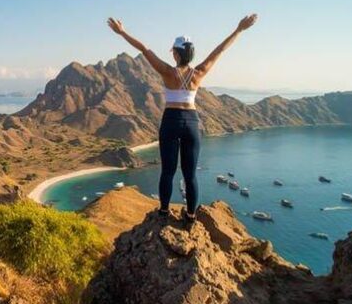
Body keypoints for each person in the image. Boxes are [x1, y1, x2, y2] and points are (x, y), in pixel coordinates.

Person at [107, 14, 258, 221]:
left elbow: (144, 49)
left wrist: (122, 32)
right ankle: (190, 215)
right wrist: (239, 29)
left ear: (176, 54)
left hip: (171, 120)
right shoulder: (199, 73)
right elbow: (220, 50)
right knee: (190, 175)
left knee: (168, 172)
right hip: (192, 122)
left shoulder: (167, 72)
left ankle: (164, 211)